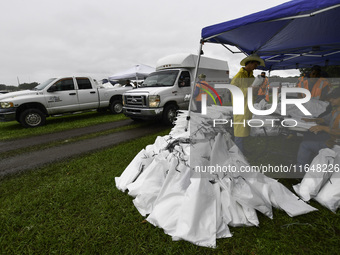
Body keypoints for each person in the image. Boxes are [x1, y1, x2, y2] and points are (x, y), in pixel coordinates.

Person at [296, 87, 340, 168]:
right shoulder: (336, 111)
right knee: (309, 136)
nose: (331, 100)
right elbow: (323, 119)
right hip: (332, 139)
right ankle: (313, 160)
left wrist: (323, 128)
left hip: (335, 144)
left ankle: (300, 169)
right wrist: (310, 120)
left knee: (304, 145)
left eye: (334, 98)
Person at [231, 54, 265, 154]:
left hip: (248, 108)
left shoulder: (251, 77)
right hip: (240, 108)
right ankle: (239, 155)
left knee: (245, 130)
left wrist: (255, 90)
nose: (256, 67)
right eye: (255, 64)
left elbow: (251, 92)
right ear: (249, 63)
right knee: (239, 132)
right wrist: (249, 90)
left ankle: (242, 150)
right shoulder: (238, 77)